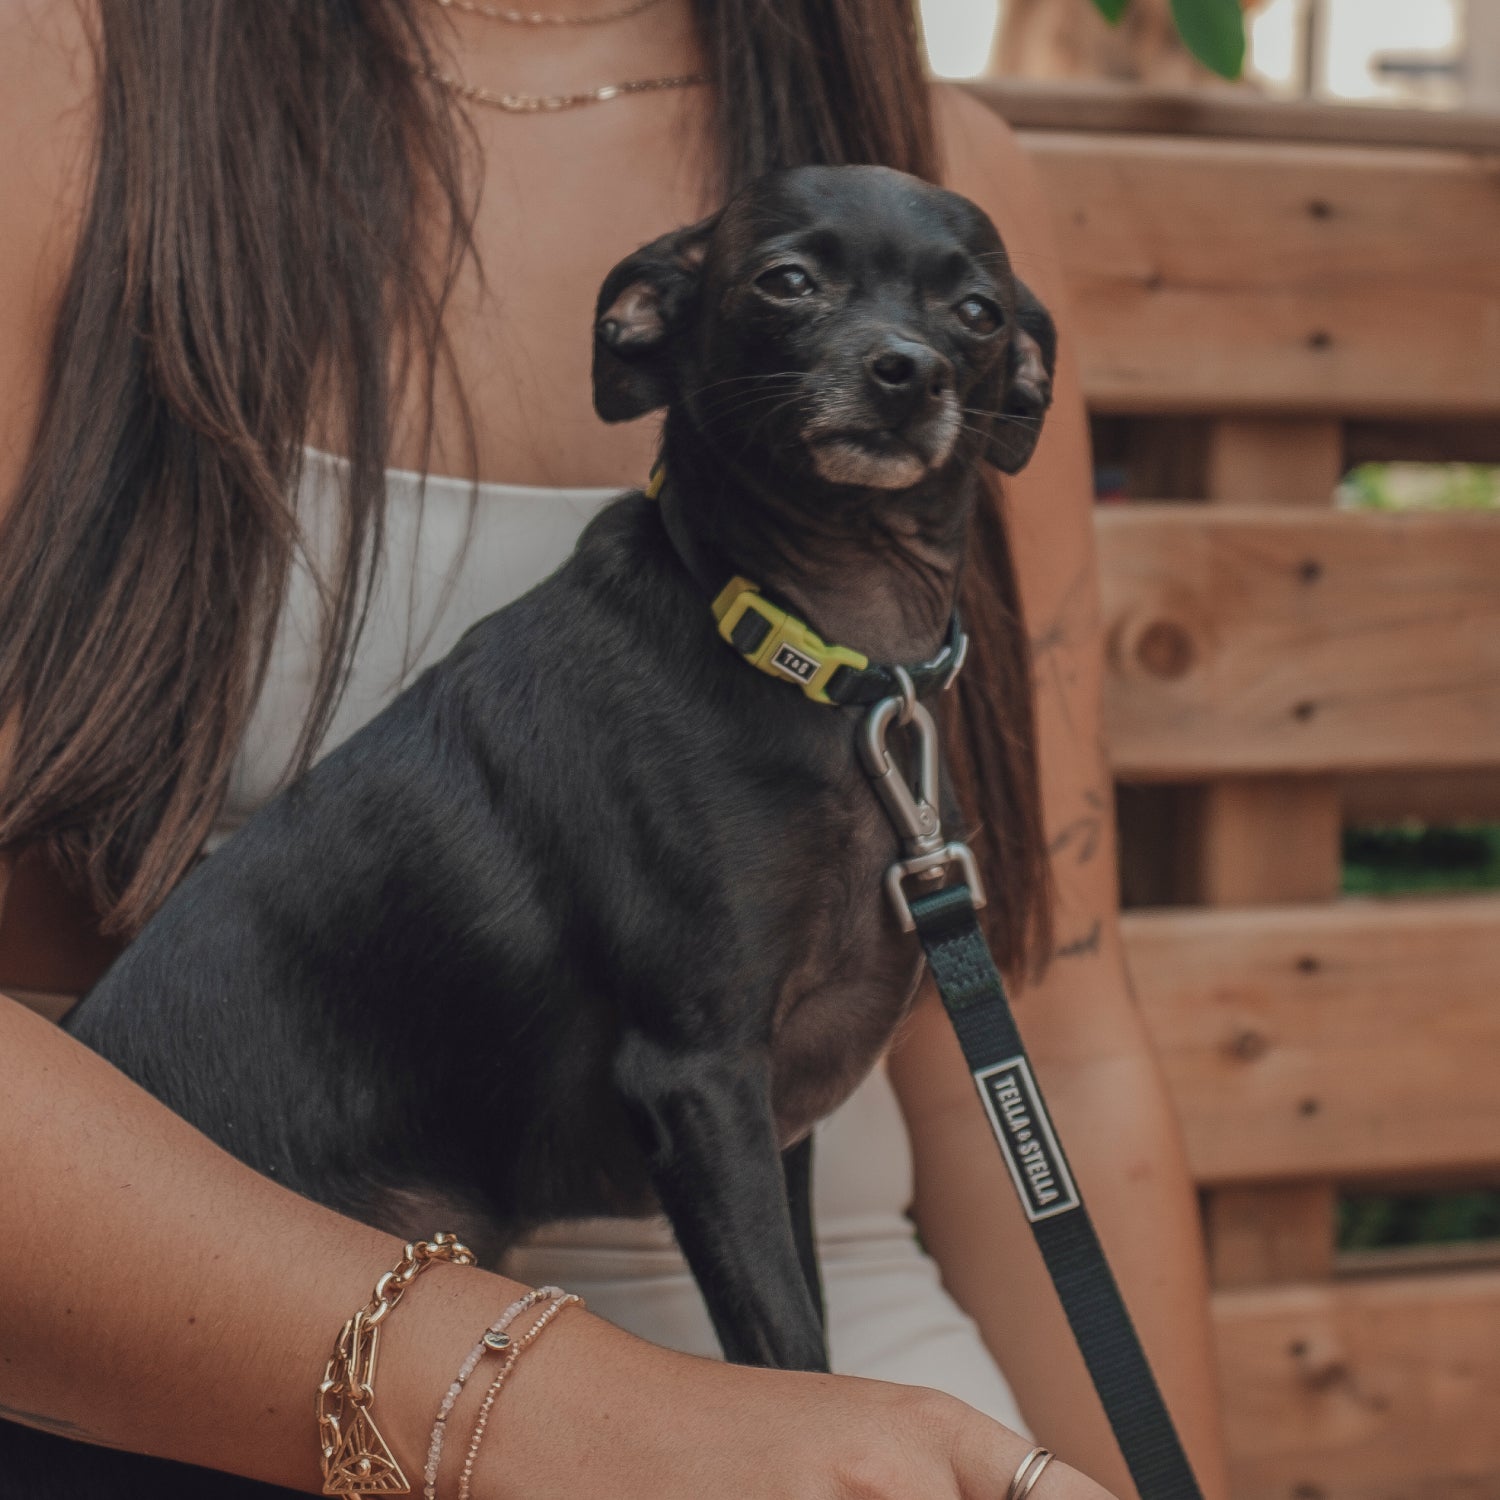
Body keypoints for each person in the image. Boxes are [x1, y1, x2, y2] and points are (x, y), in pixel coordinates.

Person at [0, 1, 1232, 1497]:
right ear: (656, 327)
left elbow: (1061, 1037)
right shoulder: (71, 79)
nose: (908, 349)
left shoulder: (932, 151)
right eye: (788, 287)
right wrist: (579, 1413)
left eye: (964, 327)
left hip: (845, 1348)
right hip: (231, 1332)